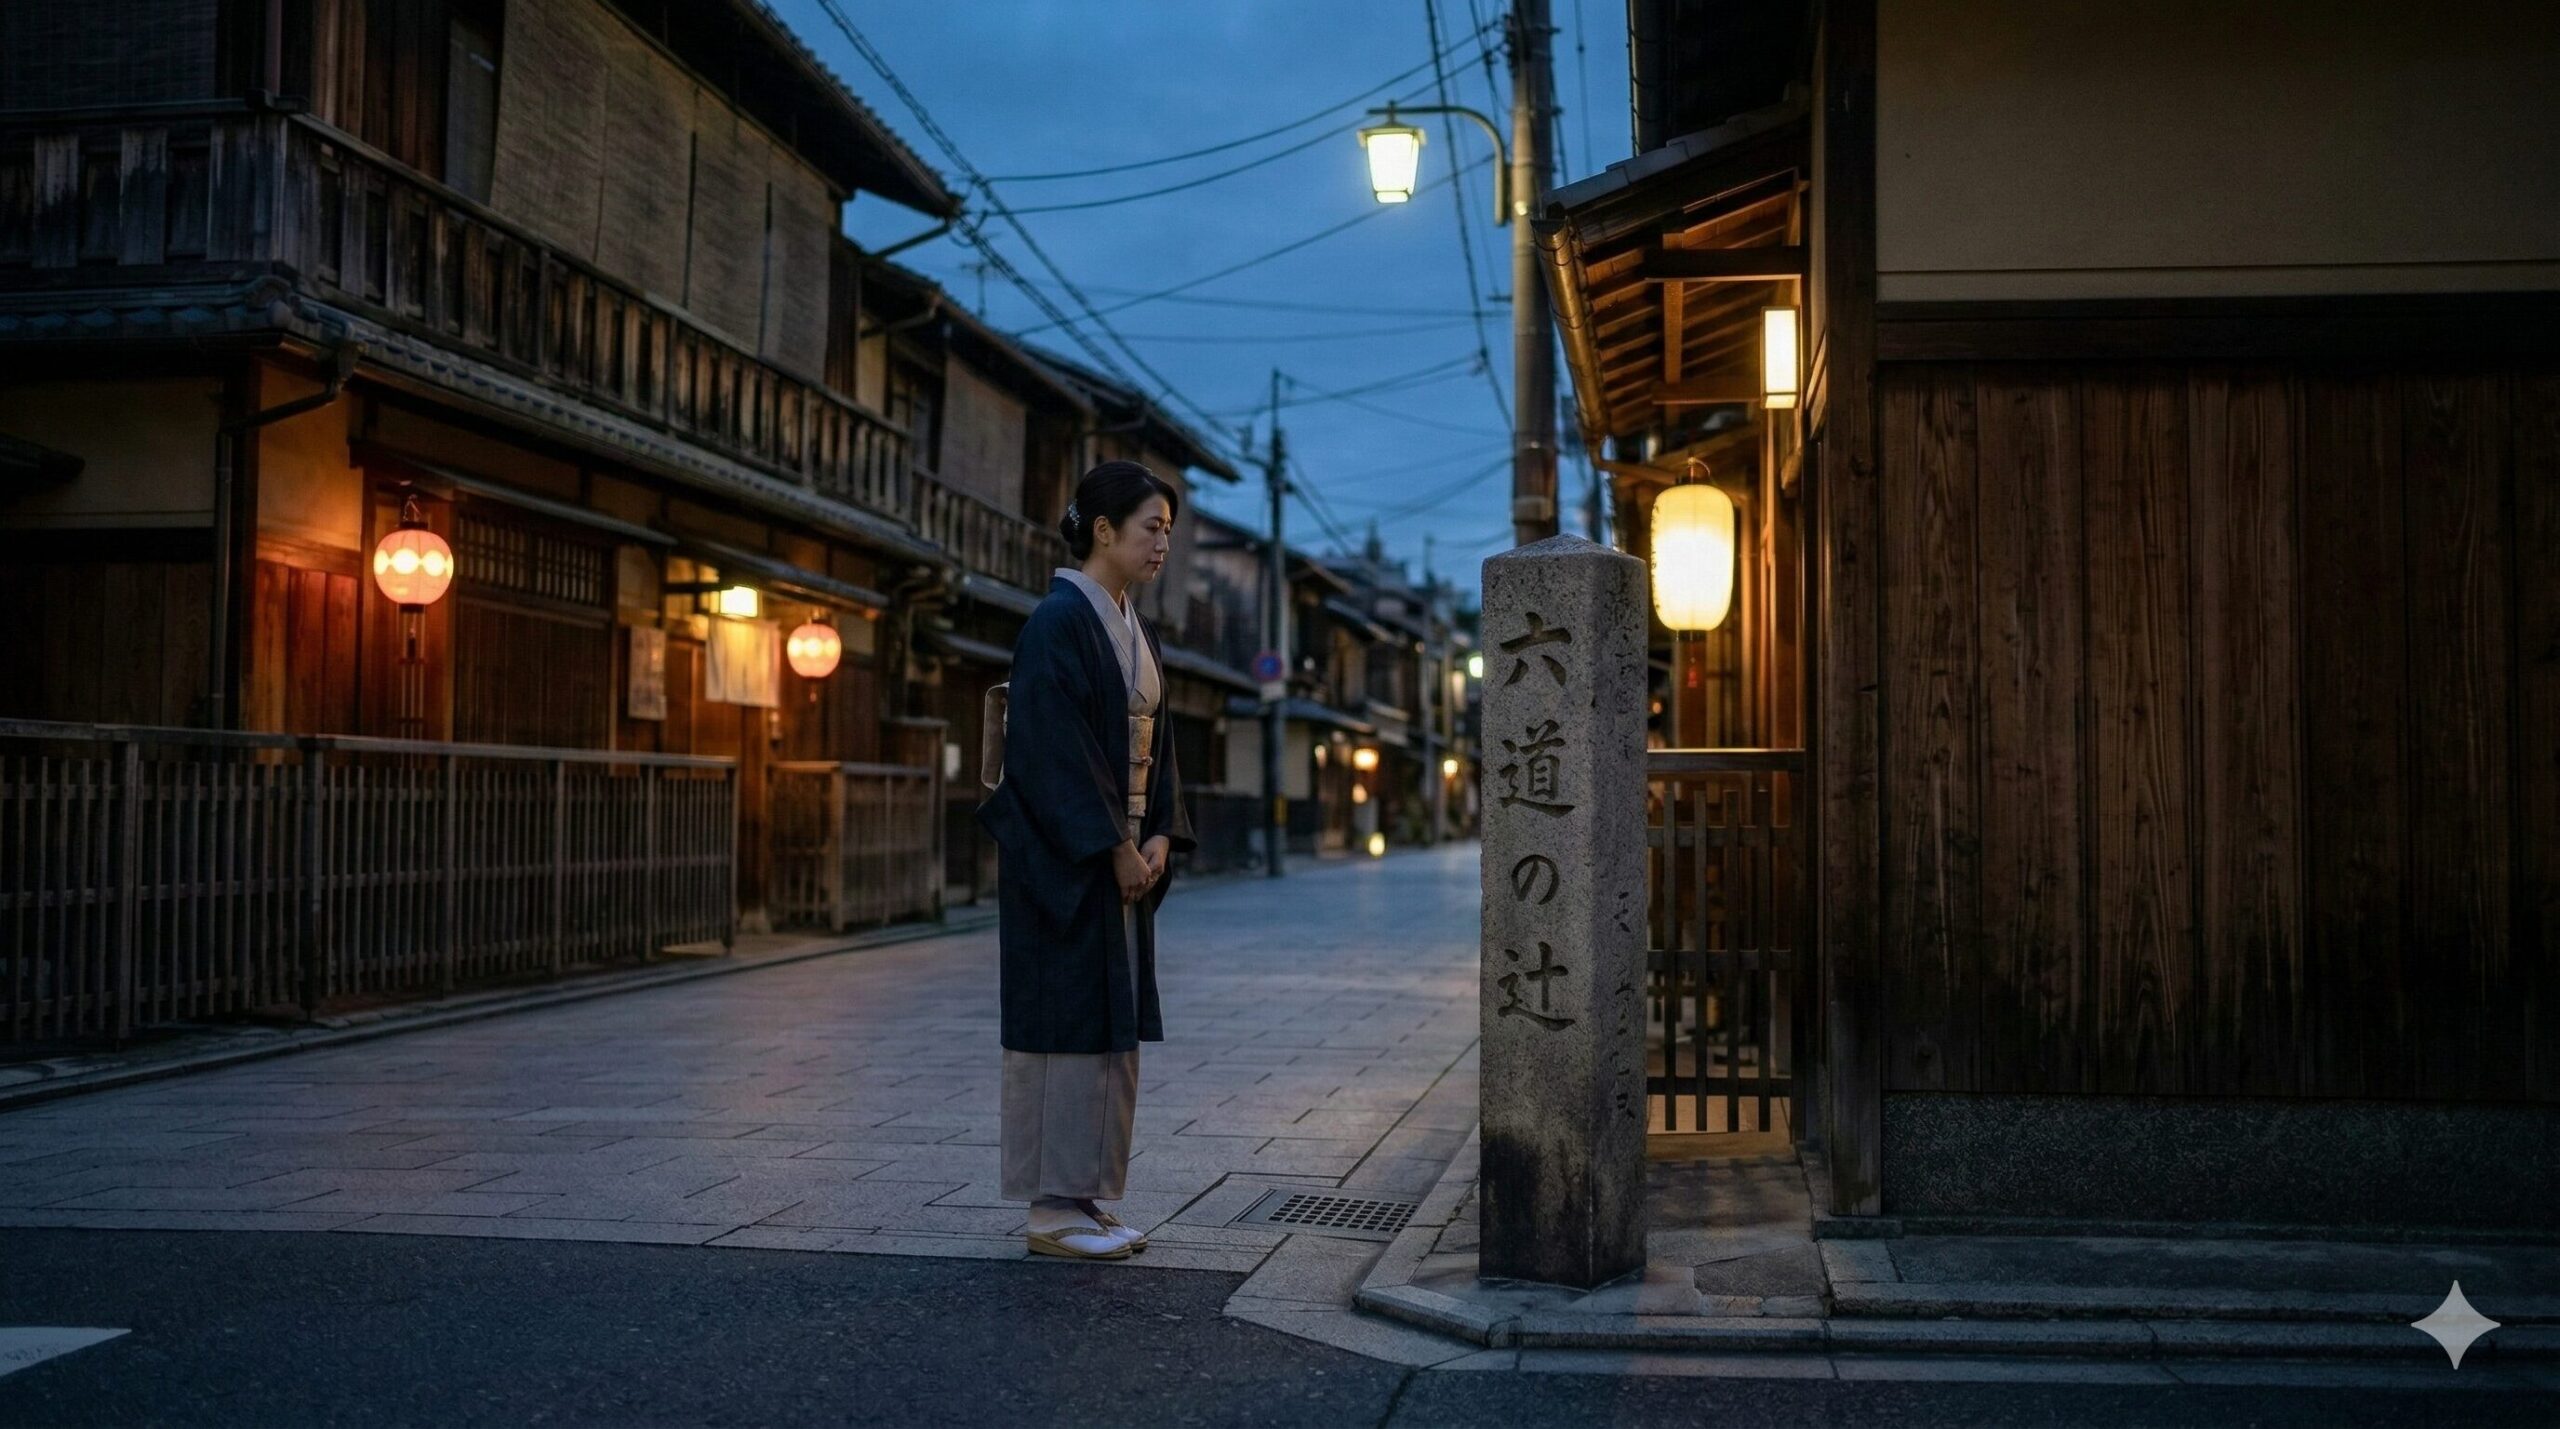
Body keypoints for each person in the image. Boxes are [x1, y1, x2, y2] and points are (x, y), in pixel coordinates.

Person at [976, 460, 1194, 1260]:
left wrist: (1161, 832)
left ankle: (1085, 1196)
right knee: (1062, 1025)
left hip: (1124, 854)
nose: (1163, 541)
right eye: (1151, 526)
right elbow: (1052, 751)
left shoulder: (1134, 626)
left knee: (1110, 1031)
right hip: (1065, 862)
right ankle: (1048, 1210)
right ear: (1103, 531)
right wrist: (1111, 845)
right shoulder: (1056, 624)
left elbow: (1161, 750)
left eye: (1168, 528)